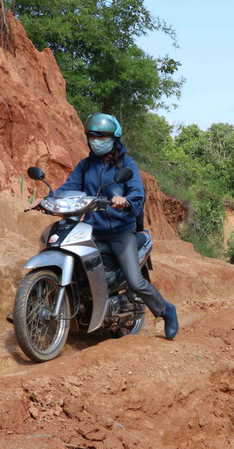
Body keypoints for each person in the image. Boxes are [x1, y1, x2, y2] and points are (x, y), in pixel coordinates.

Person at [54, 113, 178, 339]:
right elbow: (67, 188)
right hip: (92, 230)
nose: (95, 139)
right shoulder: (85, 166)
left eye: (101, 136)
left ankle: (166, 310)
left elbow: (138, 194)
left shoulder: (126, 164)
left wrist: (126, 201)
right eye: (91, 135)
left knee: (135, 280)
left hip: (121, 233)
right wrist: (48, 198)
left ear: (113, 138)